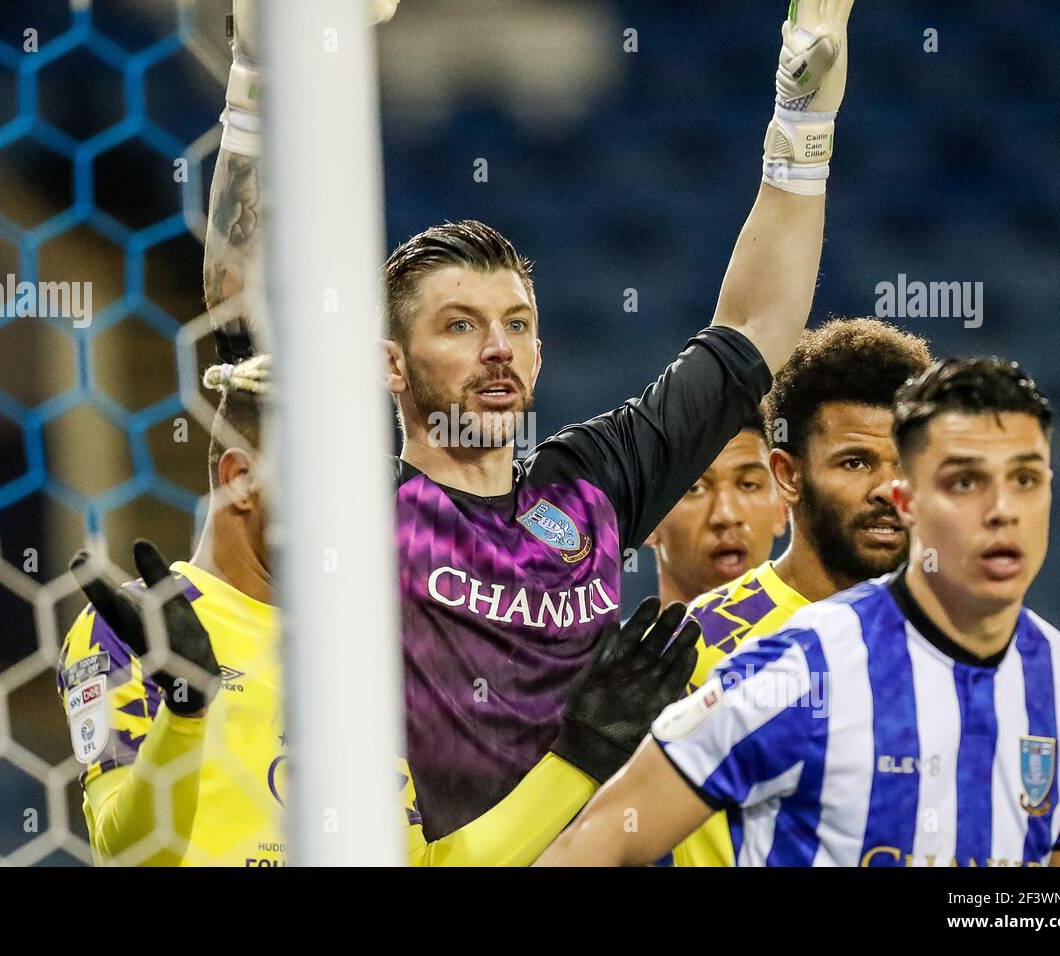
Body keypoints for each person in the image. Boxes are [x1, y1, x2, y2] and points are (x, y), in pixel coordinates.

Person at [202, 0, 856, 842]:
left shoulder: (591, 485)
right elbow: (241, 321)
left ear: (541, 355)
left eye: (516, 324)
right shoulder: (356, 510)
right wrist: (255, 84)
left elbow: (756, 329)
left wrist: (803, 117)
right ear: (390, 366)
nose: (498, 350)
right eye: (460, 325)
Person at [57, 368, 698, 866]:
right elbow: (126, 853)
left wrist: (583, 752)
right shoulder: (138, 623)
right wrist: (184, 714)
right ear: (240, 479)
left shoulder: (367, 645)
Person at [537, 357, 1060, 867]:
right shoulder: (782, 664)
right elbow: (595, 843)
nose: (1000, 510)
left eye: (1024, 480)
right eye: (855, 463)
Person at [670, 317, 931, 866]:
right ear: (787, 475)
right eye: (856, 462)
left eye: (905, 463)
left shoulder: (966, 640)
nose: (888, 490)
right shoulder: (700, 646)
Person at [645, 411, 787, 609]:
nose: (726, 515)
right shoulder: (596, 640)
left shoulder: (827, 636)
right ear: (644, 520)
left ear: (783, 508)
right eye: (695, 488)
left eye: (748, 484)